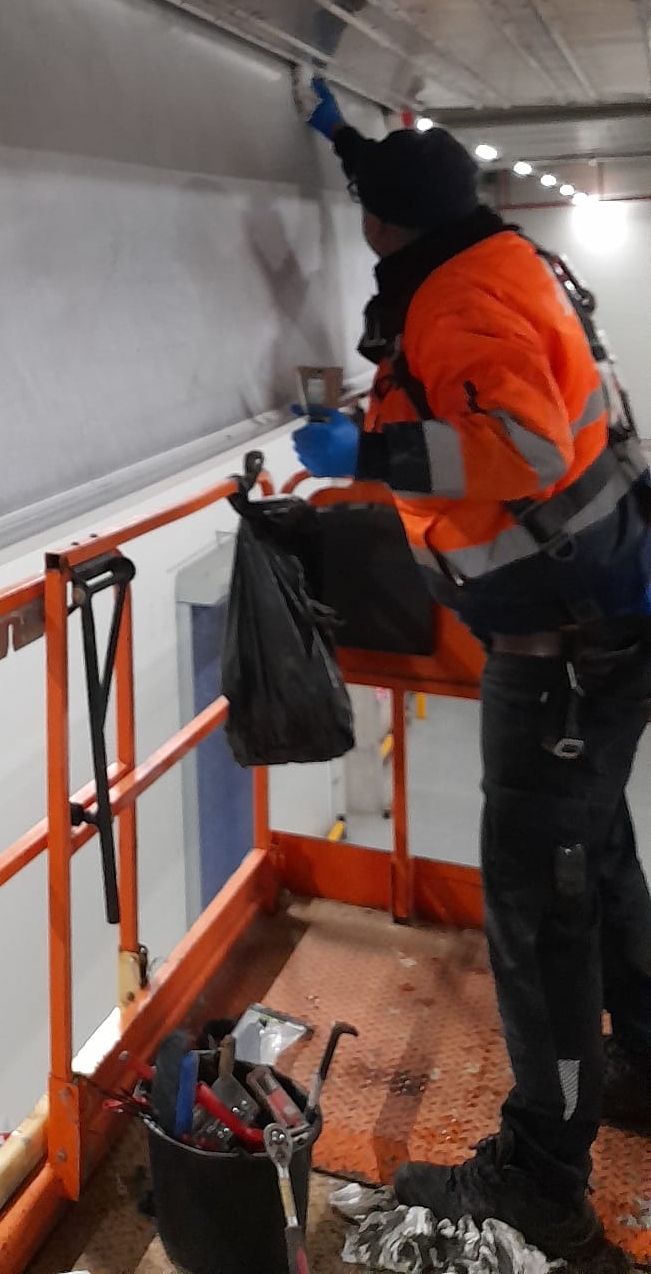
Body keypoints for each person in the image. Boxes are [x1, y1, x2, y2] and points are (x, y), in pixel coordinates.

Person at [296, 79, 651, 1262]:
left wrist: (369, 445)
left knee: (539, 903)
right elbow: (407, 184)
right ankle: (647, 1061)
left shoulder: (453, 302)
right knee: (594, 855)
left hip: (563, 652)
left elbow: (526, 447)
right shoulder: (490, 249)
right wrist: (345, 137)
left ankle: (544, 1175)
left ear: (379, 228)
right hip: (606, 615)